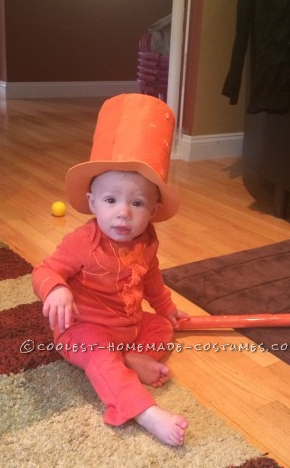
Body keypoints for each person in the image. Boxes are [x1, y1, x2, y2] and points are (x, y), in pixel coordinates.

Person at [32, 94, 189, 447]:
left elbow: (151, 279)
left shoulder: (147, 239)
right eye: (110, 200)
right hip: (82, 330)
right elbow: (44, 270)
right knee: (99, 356)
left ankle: (133, 358)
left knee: (161, 327)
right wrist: (56, 288)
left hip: (129, 328)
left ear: (153, 209)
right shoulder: (82, 241)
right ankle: (142, 411)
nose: (123, 213)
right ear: (92, 202)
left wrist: (167, 309)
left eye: (137, 203)